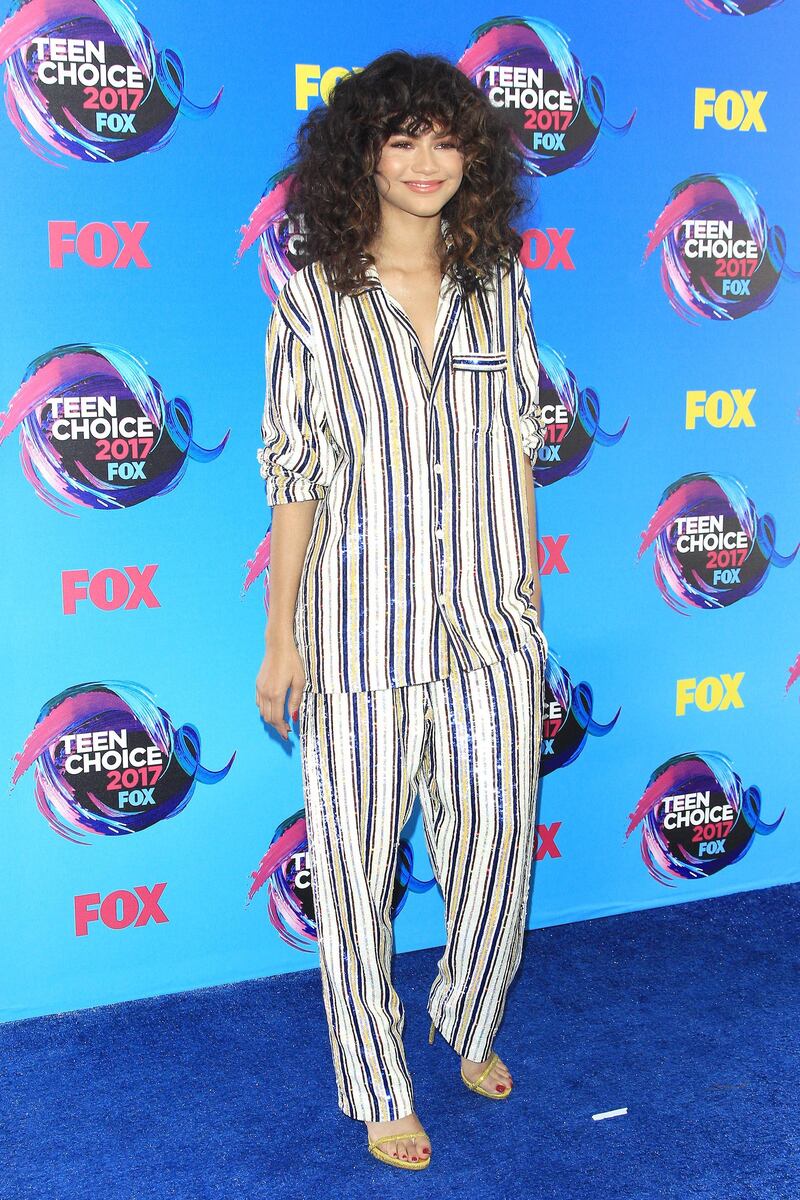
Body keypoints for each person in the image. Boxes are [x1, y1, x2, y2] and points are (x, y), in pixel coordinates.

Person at [255, 49, 548, 1172]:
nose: (424, 162)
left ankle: (465, 1021)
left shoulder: (500, 282)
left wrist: (525, 595)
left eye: (443, 139)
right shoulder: (314, 300)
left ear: (470, 155)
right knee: (358, 867)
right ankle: (378, 1086)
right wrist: (281, 638)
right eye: (399, 140)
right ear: (361, 157)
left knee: (494, 855)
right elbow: (294, 476)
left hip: (487, 635)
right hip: (356, 640)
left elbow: (517, 446)